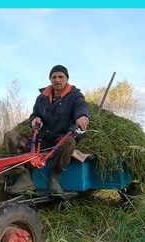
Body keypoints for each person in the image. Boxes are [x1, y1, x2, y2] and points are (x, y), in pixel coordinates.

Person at [8, 65, 90, 194]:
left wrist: (81, 116)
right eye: (54, 77)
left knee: (69, 141)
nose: (57, 80)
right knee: (11, 136)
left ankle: (54, 177)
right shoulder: (42, 98)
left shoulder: (75, 96)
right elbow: (35, 114)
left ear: (66, 79)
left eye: (60, 77)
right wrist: (34, 119)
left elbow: (81, 107)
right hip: (41, 139)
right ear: (50, 80)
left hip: (61, 139)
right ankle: (24, 177)